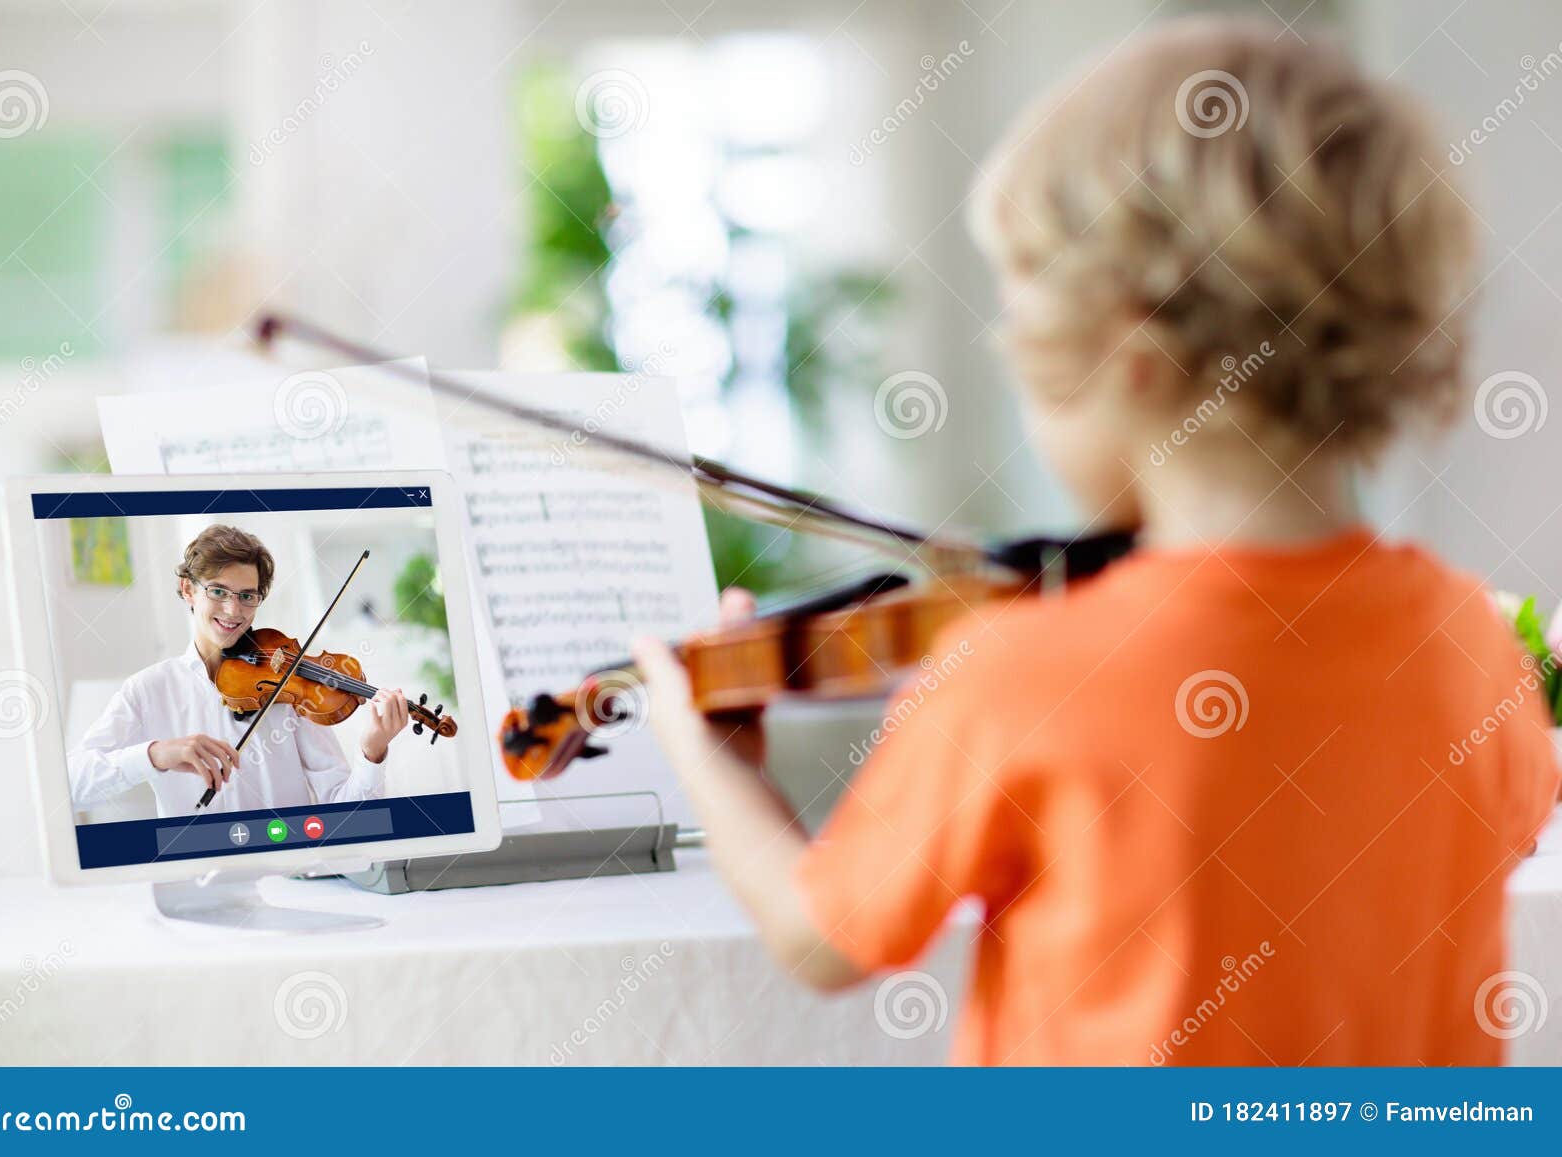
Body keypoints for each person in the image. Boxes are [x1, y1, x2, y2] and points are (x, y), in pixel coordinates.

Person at [630, 18, 1561, 1064]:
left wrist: (708, 758)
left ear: (1130, 351)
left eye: (1022, 329)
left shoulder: (1026, 671)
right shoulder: (1472, 649)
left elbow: (822, 937)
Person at [69, 524, 412, 818]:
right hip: (197, 870)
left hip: (288, 864)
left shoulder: (294, 687)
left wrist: (373, 751)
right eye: (218, 591)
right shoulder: (148, 690)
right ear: (189, 590)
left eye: (248, 596)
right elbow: (72, 784)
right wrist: (156, 754)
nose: (234, 610)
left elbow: (348, 814)